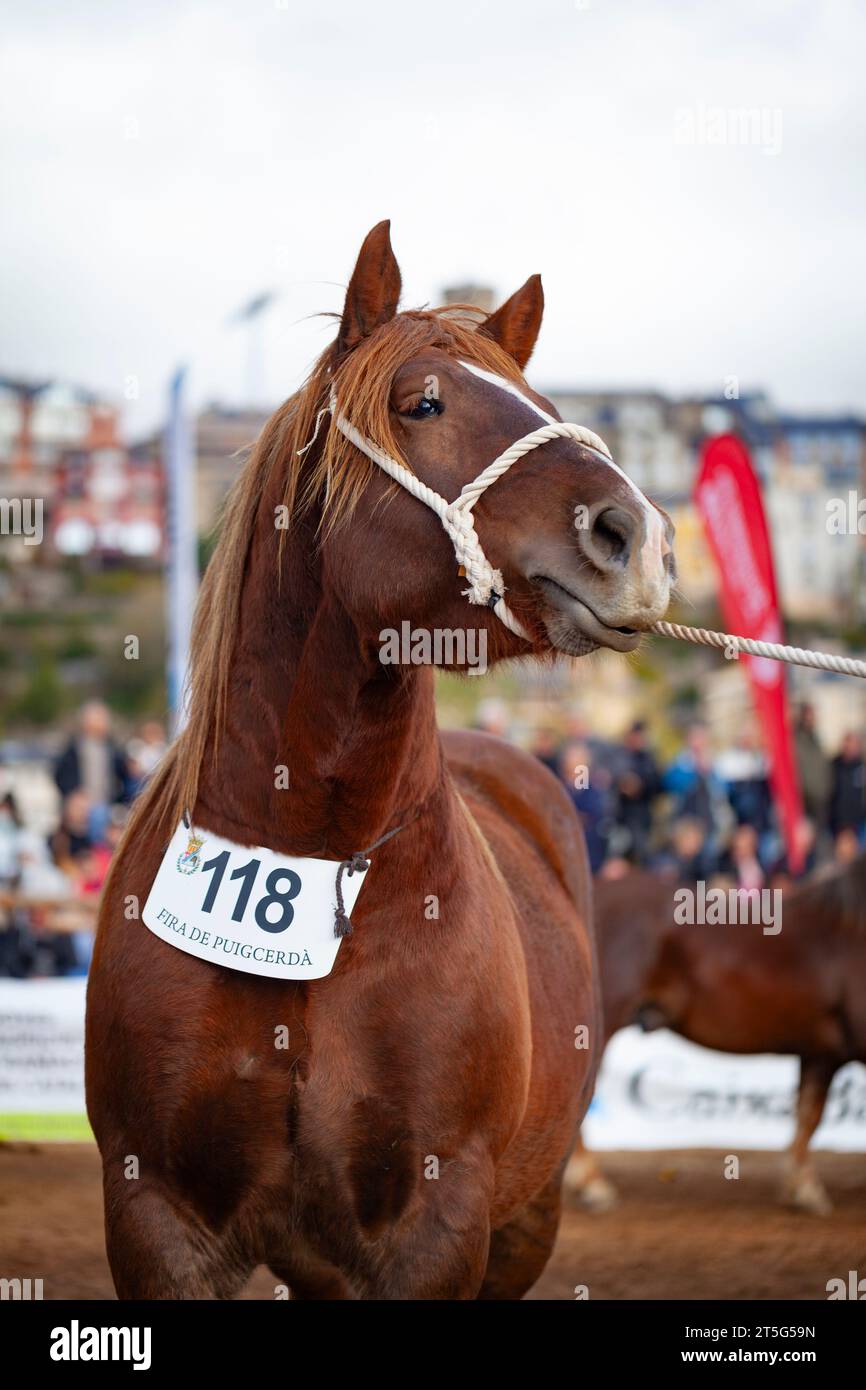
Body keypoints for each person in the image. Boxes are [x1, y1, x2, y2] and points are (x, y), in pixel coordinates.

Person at [54, 701, 131, 840]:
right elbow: (60, 776)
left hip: (109, 804)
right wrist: (74, 795)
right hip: (83, 806)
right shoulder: (74, 748)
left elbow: (124, 775)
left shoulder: (112, 748)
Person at [612, 720, 661, 864]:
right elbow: (609, 780)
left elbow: (658, 786)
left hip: (642, 817)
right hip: (620, 816)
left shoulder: (649, 758)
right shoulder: (618, 756)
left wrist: (640, 786)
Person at [559, 740, 609, 873]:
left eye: (576, 758)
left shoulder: (590, 789)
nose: (569, 761)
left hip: (587, 858)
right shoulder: (558, 786)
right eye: (569, 757)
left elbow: (592, 816)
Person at [793, 703, 830, 828]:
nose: (810, 719)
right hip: (803, 798)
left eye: (812, 716)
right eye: (807, 716)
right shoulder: (795, 738)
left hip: (820, 798)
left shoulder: (817, 738)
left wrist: (827, 789)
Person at [828, 732, 866, 840]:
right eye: (847, 744)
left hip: (858, 824)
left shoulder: (861, 766)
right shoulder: (834, 765)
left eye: (853, 745)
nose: (850, 748)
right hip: (837, 824)